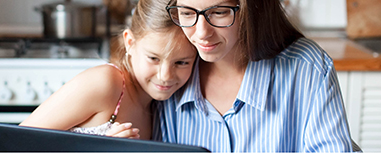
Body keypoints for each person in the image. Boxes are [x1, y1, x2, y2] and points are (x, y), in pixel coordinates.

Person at [152, 0, 356, 152]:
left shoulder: (307, 68)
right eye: (187, 13)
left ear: (252, 9)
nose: (202, 33)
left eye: (220, 12)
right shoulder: (165, 73)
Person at [19, 0, 197, 140]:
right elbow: (15, 143)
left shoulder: (160, 107)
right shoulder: (106, 82)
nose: (165, 76)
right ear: (130, 43)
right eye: (153, 58)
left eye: (181, 62)